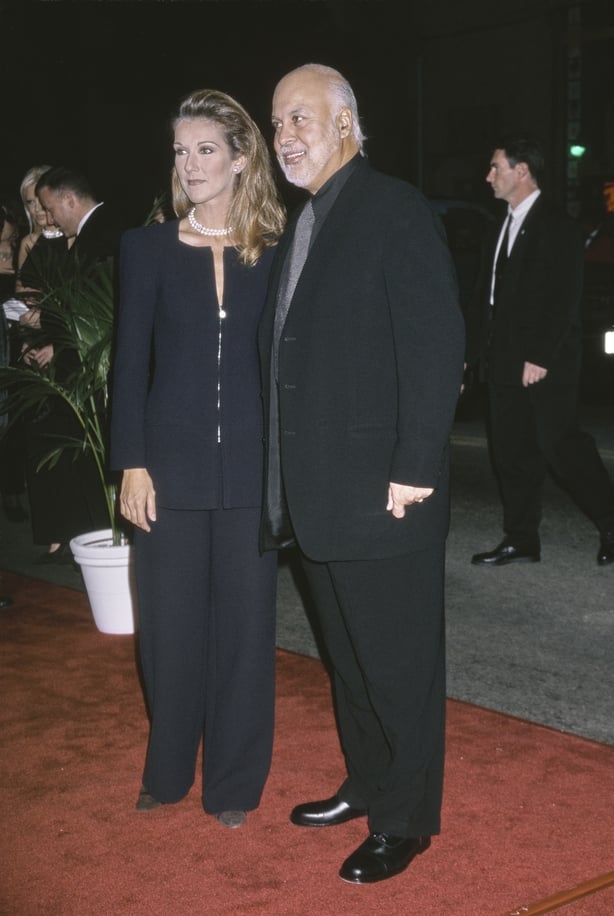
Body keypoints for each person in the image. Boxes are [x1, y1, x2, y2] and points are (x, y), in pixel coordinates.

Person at [258, 64, 465, 884]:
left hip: (386, 492)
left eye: (301, 118)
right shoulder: (306, 222)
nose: (286, 137)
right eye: (278, 124)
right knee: (349, 658)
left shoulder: (392, 208)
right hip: (319, 495)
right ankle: (370, 782)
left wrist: (415, 464)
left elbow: (433, 342)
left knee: (400, 664)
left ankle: (406, 819)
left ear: (346, 122)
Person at [110, 89, 285, 827]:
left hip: (252, 470)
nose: (190, 165)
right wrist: (131, 462)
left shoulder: (277, 253)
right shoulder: (144, 247)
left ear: (242, 158)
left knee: (246, 635)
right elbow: (128, 365)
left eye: (206, 149)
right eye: (181, 152)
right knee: (170, 631)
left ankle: (235, 786)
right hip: (168, 470)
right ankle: (170, 770)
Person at [468, 135, 614, 568]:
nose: (488, 176)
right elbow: (486, 295)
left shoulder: (557, 225)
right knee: (510, 452)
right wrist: (470, 354)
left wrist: (541, 356)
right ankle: (521, 538)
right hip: (503, 357)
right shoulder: (500, 224)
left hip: (543, 360)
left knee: (560, 445)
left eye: (497, 168)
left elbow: (565, 299)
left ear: (523, 171)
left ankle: (610, 522)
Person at [35, 166, 120, 264]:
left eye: (50, 210)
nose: (49, 220)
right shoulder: (110, 223)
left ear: (69, 200)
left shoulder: (97, 243)